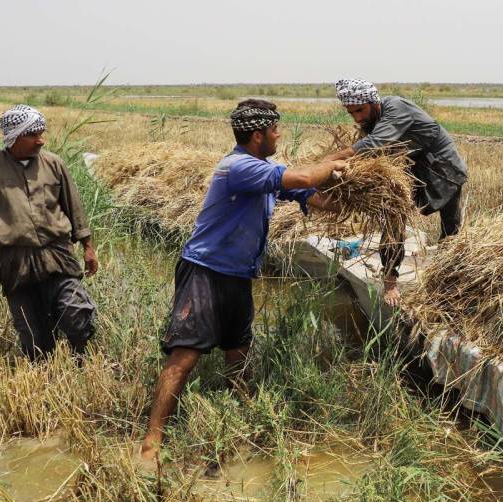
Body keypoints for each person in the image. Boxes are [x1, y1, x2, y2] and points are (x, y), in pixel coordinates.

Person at [139, 99, 344, 464]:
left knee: (239, 350)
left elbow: (317, 196)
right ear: (257, 134)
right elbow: (303, 177)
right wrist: (329, 166)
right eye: (275, 130)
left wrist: (356, 178)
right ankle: (151, 442)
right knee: (184, 356)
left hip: (237, 275)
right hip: (205, 270)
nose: (279, 135)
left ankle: (243, 411)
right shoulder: (239, 167)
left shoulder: (262, 170)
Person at [0, 105, 98, 360]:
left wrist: (87, 247)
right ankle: (45, 361)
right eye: (33, 134)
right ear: (14, 136)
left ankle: (82, 357)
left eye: (41, 133)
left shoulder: (54, 164)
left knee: (75, 314)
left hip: (57, 254)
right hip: (15, 260)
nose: (41, 139)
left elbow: (74, 207)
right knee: (34, 339)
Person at [326, 79, 468, 306]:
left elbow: (375, 144)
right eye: (351, 112)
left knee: (450, 226)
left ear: (373, 102)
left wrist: (329, 160)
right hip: (410, 169)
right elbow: (372, 154)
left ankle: (448, 278)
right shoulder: (370, 119)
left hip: (442, 168)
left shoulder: (396, 107)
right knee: (393, 216)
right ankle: (390, 280)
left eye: (360, 110)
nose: (357, 118)